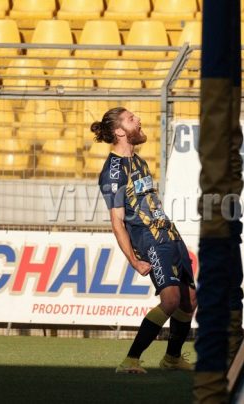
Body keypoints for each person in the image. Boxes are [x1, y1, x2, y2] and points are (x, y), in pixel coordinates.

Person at [93, 107, 197, 374]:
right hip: (149, 239)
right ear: (119, 131)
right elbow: (117, 222)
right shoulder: (113, 171)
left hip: (169, 234)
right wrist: (134, 261)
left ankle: (172, 358)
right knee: (171, 299)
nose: (138, 120)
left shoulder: (138, 161)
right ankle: (130, 360)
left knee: (190, 300)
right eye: (130, 119)